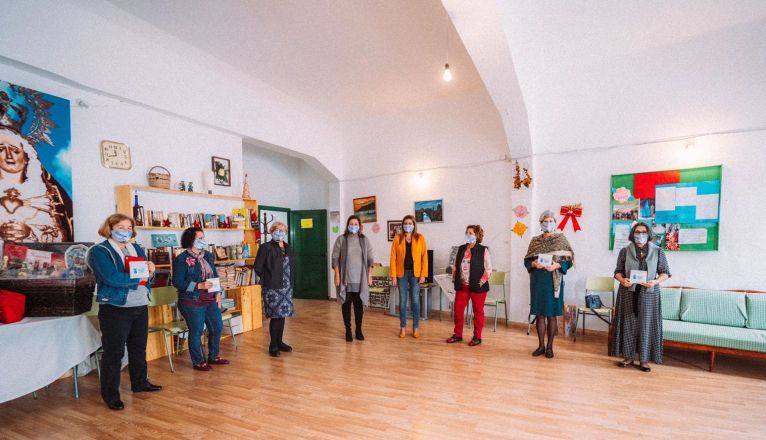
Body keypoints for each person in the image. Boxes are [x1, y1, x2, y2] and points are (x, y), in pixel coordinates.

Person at [87, 213, 161, 411]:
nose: (125, 231)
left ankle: (140, 383)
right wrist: (140, 277)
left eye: (129, 228)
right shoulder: (99, 251)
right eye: (120, 227)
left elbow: (146, 277)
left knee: (138, 348)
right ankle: (111, 395)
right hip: (115, 308)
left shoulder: (136, 248)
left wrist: (151, 271)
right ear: (110, 229)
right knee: (114, 353)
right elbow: (111, 278)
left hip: (139, 305)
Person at [0, 88, 72, 242]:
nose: (8, 155)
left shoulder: (47, 192)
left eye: (14, 150)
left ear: (27, 157)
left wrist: (30, 231)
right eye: (1, 149)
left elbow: (61, 235)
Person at [612, 222, 671, 372]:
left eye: (643, 232)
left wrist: (655, 282)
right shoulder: (625, 251)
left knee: (646, 325)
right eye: (637, 232)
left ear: (648, 234)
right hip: (628, 292)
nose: (640, 235)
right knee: (628, 324)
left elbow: (665, 273)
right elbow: (617, 272)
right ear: (633, 234)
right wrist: (622, 280)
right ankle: (628, 357)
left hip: (649, 293)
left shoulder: (658, 251)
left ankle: (644, 360)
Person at [172, 227, 229, 371]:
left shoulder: (208, 255)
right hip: (191, 300)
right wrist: (199, 285)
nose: (203, 241)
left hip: (210, 299)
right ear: (191, 240)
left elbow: (214, 275)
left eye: (204, 238)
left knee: (217, 327)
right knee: (196, 331)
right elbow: (178, 283)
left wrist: (217, 293)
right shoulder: (181, 259)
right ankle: (198, 361)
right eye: (200, 238)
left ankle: (214, 356)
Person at [524, 210, 574, 358]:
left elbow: (569, 260)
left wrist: (556, 266)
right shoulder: (535, 241)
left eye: (551, 221)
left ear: (555, 223)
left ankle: (550, 347)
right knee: (539, 315)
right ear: (541, 224)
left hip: (554, 282)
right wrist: (533, 263)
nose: (548, 224)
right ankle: (540, 346)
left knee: (551, 316)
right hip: (538, 281)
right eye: (545, 221)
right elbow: (526, 260)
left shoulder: (561, 239)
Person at [446, 225, 493, 346]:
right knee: (458, 310)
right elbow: (456, 265)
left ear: (477, 235)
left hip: (478, 286)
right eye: (466, 232)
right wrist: (455, 278)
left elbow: (488, 269)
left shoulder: (483, 250)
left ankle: (477, 337)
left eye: (470, 233)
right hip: (463, 285)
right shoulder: (461, 249)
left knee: (478, 312)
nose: (468, 234)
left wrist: (482, 281)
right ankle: (458, 334)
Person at [253, 221, 295, 357]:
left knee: (282, 316)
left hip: (286, 287)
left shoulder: (288, 247)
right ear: (272, 231)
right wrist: (268, 277)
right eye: (277, 230)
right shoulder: (266, 247)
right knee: (275, 317)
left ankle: (280, 342)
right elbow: (258, 267)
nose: (280, 232)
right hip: (272, 287)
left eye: (283, 230)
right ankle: (273, 345)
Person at [331, 215, 374, 342]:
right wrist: (337, 276)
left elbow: (370, 259)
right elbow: (335, 259)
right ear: (347, 225)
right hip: (345, 279)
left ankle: (358, 330)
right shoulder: (341, 239)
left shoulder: (364, 240)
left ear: (360, 226)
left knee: (358, 306)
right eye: (351, 223)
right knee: (346, 305)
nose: (353, 226)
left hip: (360, 279)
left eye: (356, 224)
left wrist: (370, 276)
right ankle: (348, 331)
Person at [389, 214, 428, 338]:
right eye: (405, 223)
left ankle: (415, 328)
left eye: (410, 223)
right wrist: (393, 276)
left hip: (415, 274)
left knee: (416, 301)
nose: (407, 225)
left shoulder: (420, 238)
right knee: (402, 301)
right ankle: (403, 327)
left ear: (414, 225)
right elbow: (393, 258)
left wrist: (423, 274)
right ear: (402, 225)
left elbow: (424, 257)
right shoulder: (397, 239)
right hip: (402, 274)